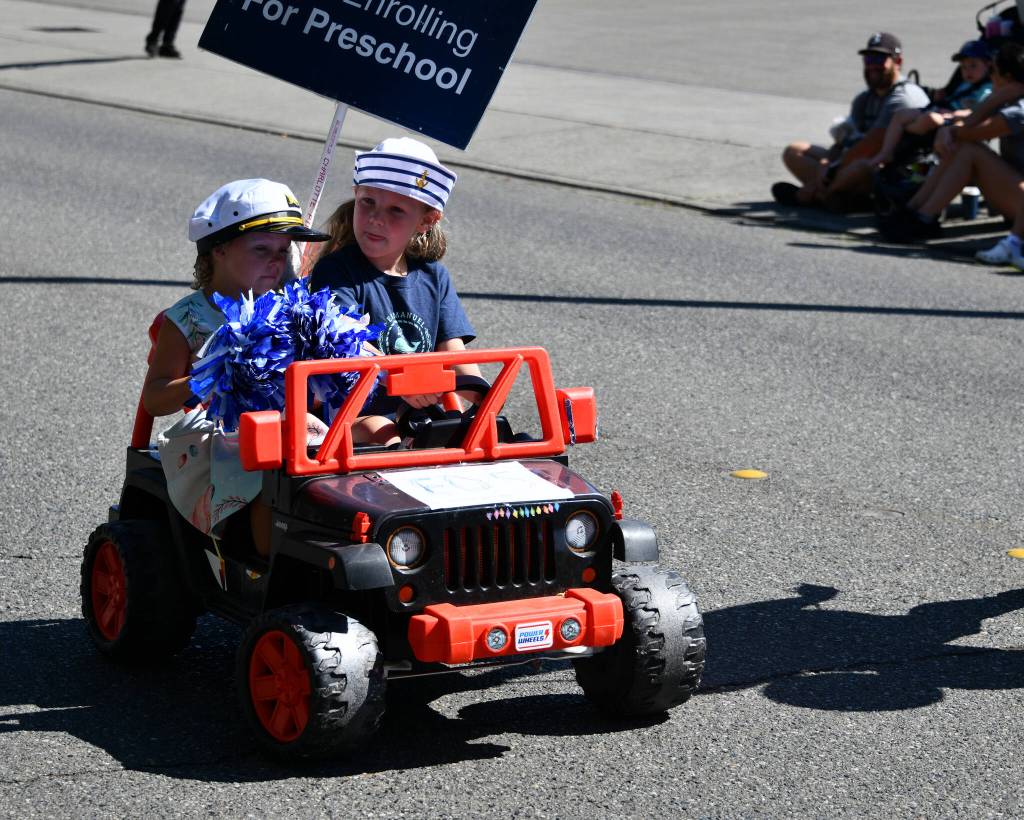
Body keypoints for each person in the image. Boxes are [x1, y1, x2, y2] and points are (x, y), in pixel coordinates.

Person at [143, 178, 331, 557]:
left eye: (284, 250)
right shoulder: (189, 318)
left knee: (364, 444)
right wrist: (209, 371)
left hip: (292, 422)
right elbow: (155, 399)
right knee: (271, 473)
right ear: (220, 250)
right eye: (262, 249)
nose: (277, 261)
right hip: (219, 434)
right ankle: (270, 573)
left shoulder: (291, 306)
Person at [309, 137, 480, 447]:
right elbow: (347, 345)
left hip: (419, 415)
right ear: (356, 196)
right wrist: (401, 379)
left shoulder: (434, 277)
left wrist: (486, 396)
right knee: (383, 430)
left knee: (479, 433)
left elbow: (456, 358)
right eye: (368, 202)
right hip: (351, 415)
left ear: (426, 221)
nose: (376, 218)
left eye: (396, 210)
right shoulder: (336, 272)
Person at [882, 42, 1024, 242]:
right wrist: (949, 130)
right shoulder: (1010, 102)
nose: (990, 77)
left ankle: (924, 218)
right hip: (1015, 194)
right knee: (961, 147)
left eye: (993, 71)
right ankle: (913, 210)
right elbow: (965, 126)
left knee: (968, 150)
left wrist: (993, 99)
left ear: (1008, 79)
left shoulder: (1019, 111)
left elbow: (968, 133)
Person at [773, 32, 930, 210]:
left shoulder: (903, 97)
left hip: (898, 171)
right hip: (854, 163)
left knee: (861, 166)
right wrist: (828, 162)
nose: (872, 66)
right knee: (794, 151)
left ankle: (816, 194)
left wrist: (830, 170)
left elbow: (871, 146)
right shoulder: (864, 99)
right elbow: (845, 140)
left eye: (879, 60)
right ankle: (837, 197)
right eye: (868, 60)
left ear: (898, 62)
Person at [865, 40, 992, 169]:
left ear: (988, 65)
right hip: (940, 112)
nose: (967, 71)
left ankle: (909, 130)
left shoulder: (986, 89)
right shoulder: (963, 84)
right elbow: (947, 94)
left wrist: (954, 115)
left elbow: (980, 111)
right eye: (963, 67)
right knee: (901, 114)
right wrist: (939, 96)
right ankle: (886, 152)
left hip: (954, 120)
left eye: (973, 65)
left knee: (930, 118)